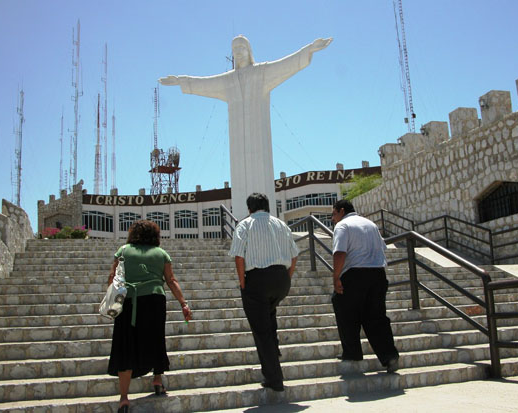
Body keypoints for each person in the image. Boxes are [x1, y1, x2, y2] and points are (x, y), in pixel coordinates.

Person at [159, 35, 332, 220]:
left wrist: (308, 50)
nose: (238, 53)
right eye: (234, 50)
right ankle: (242, 217)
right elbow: (205, 83)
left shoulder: (262, 72)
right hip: (238, 144)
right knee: (239, 178)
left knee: (260, 175)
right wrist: (181, 81)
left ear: (249, 51)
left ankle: (264, 217)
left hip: (258, 138)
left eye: (241, 48)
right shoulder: (228, 81)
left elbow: (285, 64)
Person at [107, 220, 192, 412]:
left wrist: (111, 300)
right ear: (155, 235)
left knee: (125, 345)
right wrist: (183, 304)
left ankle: (124, 398)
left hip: (128, 301)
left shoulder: (123, 251)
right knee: (155, 340)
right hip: (154, 300)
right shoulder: (161, 254)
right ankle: (157, 380)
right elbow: (171, 280)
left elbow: (113, 277)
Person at [228, 193, 299, 391]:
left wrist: (243, 283)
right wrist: (287, 278)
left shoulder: (245, 224)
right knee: (269, 320)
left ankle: (274, 379)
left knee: (262, 331)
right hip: (281, 279)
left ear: (249, 208)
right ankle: (274, 356)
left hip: (257, 280)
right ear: (267, 207)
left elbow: (239, 256)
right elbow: (294, 256)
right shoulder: (280, 224)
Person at [330, 199, 400, 373]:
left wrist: (336, 277)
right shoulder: (370, 224)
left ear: (341, 210)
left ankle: (352, 353)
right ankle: (389, 356)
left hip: (354, 274)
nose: (332, 218)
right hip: (377, 274)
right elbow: (382, 248)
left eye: (333, 213)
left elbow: (340, 252)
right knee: (377, 317)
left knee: (346, 311)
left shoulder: (343, 226)